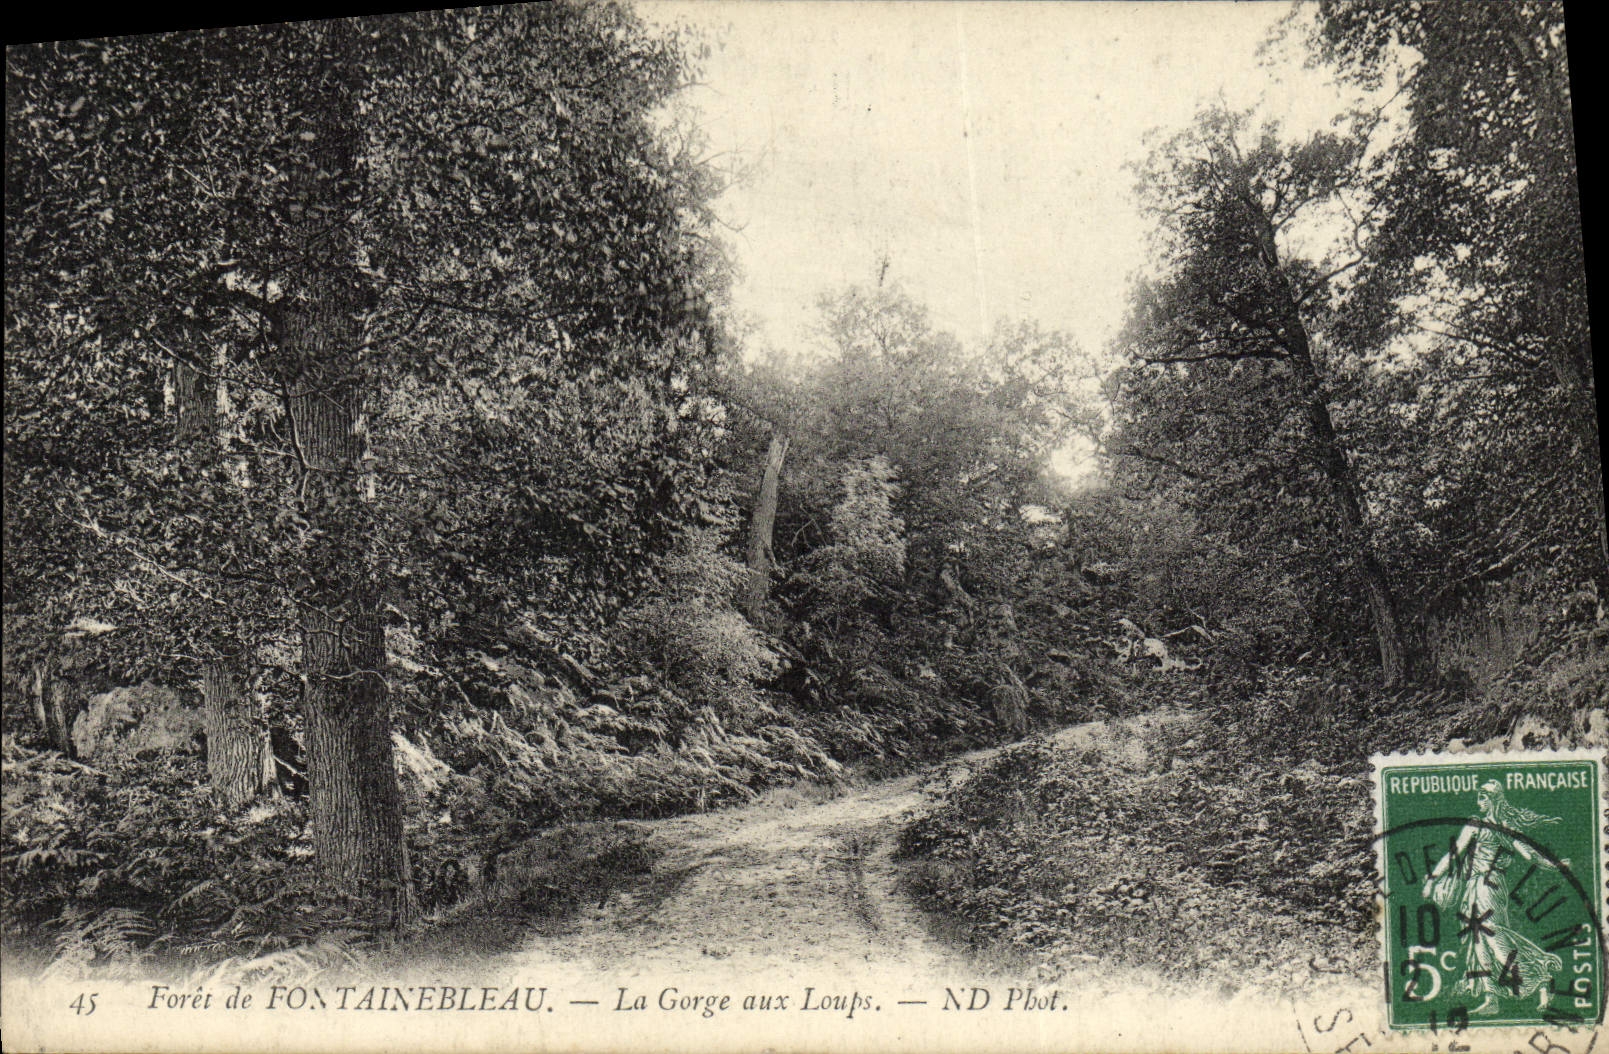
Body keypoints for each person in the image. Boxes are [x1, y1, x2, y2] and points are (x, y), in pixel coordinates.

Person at [1421, 780, 1567, 1015]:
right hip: (1473, 887)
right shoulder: (1476, 825)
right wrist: (1432, 879)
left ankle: (1541, 978)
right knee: (1477, 941)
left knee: (1493, 937)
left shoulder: (1505, 827)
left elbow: (1528, 853)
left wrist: (1554, 865)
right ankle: (1492, 998)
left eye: (1483, 798)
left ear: (1494, 801)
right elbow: (1454, 854)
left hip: (1490, 887)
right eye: (1479, 797)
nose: (1479, 802)